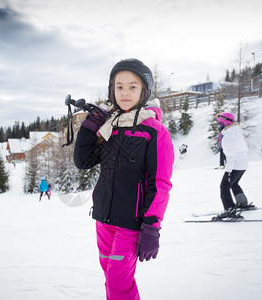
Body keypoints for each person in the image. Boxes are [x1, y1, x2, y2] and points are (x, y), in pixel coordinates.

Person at [74, 58, 174, 300]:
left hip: (131, 223)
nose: (125, 92)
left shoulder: (155, 132)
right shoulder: (111, 127)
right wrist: (90, 126)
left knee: (119, 281)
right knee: (112, 277)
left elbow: (160, 184)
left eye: (132, 86)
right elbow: (83, 161)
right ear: (112, 90)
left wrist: (152, 227)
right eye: (119, 86)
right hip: (104, 218)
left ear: (144, 91)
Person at [215, 112, 253, 219]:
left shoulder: (227, 137)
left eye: (219, 123)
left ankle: (229, 210)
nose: (218, 125)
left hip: (236, 166)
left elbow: (231, 156)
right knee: (234, 183)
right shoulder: (237, 132)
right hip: (243, 164)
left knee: (224, 186)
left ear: (224, 122)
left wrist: (228, 171)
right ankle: (242, 203)